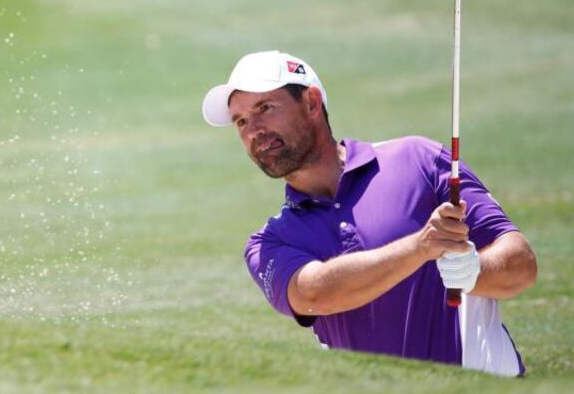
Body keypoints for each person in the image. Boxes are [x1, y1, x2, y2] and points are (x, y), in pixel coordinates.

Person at [201, 50, 537, 376]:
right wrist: (420, 248)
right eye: (241, 120)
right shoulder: (269, 242)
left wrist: (475, 270)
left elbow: (522, 264)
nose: (253, 130)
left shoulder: (418, 159)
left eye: (265, 108)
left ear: (312, 103)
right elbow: (313, 294)